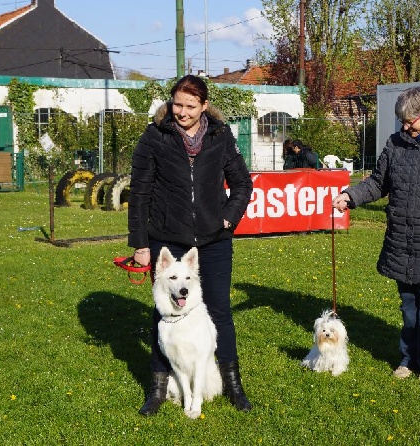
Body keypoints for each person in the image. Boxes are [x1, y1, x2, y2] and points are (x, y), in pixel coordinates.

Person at [128, 74, 254, 414]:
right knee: (163, 314)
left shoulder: (221, 135)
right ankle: (156, 388)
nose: (181, 112)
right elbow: (139, 193)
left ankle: (232, 384)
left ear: (204, 106)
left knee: (219, 312)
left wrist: (227, 219)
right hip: (166, 240)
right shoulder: (155, 137)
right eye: (177, 104)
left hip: (213, 243)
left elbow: (243, 184)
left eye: (190, 106)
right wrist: (140, 244)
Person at [332, 87, 420, 383]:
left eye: (411, 122)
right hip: (401, 239)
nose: (406, 128)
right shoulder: (396, 143)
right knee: (409, 306)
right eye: (403, 123)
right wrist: (350, 196)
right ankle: (408, 359)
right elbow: (378, 182)